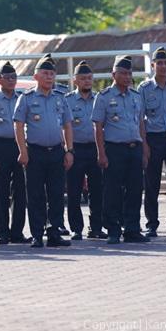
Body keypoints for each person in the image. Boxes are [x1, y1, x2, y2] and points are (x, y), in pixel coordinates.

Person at [14, 54, 74, 248]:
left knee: (56, 194)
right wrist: (22, 151)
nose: (49, 77)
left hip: (56, 151)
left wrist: (69, 150)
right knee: (36, 195)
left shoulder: (60, 98)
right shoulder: (27, 98)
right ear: (36, 76)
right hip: (35, 153)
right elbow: (18, 126)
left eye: (52, 74)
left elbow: (67, 125)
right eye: (45, 73)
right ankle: (37, 234)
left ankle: (54, 232)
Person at [92, 55, 150, 245]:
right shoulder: (104, 97)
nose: (126, 77)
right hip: (114, 149)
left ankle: (132, 229)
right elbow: (98, 127)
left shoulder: (136, 96)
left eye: (129, 73)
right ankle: (114, 229)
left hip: (134, 147)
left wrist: (145, 147)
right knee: (113, 191)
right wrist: (101, 152)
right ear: (113, 74)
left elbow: (141, 123)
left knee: (135, 190)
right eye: (123, 73)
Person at [137, 47, 166, 237]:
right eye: (160, 63)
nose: (163, 66)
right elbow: (140, 118)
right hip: (153, 138)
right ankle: (151, 224)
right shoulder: (144, 88)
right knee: (151, 184)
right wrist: (144, 144)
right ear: (153, 65)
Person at [0, 61, 29, 244]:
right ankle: (2, 232)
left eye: (14, 77)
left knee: (20, 190)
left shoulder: (22, 98)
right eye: (8, 77)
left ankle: (17, 232)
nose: (11, 81)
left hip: (19, 146)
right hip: (0, 146)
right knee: (1, 191)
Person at [65, 60, 106, 241]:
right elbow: (63, 127)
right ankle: (76, 229)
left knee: (97, 191)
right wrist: (68, 150)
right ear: (75, 81)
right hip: (76, 150)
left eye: (89, 78)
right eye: (83, 78)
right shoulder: (67, 101)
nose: (87, 81)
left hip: (95, 149)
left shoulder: (100, 99)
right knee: (74, 192)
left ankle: (96, 227)